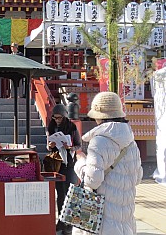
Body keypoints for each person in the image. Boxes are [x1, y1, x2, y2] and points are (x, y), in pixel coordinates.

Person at [73, 92, 142, 235]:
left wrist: (80, 162)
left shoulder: (99, 141)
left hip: (102, 221)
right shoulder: (131, 143)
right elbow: (138, 178)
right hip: (125, 219)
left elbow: (92, 181)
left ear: (99, 116)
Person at [46, 104, 81, 235]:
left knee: (69, 194)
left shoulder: (72, 127)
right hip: (56, 162)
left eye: (59, 118)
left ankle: (69, 224)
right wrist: (51, 145)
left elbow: (78, 145)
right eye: (55, 118)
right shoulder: (51, 126)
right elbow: (48, 146)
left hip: (69, 163)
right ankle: (61, 221)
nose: (57, 120)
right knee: (60, 194)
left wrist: (69, 147)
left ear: (65, 116)